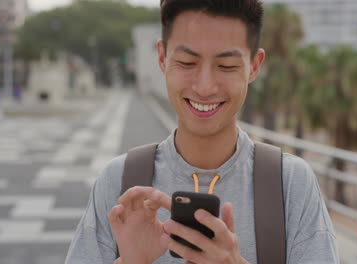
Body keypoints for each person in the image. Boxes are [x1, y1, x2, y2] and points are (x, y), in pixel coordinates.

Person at [66, 0, 338, 263]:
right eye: (187, 62)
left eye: (227, 66)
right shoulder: (120, 184)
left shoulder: (290, 185)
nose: (205, 87)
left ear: (254, 66)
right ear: (162, 57)